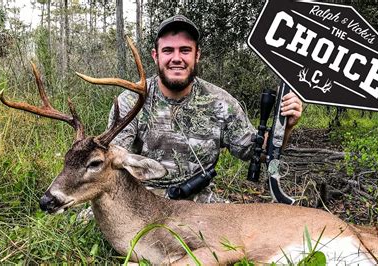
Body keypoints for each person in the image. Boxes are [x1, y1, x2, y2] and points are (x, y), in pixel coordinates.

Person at [106, 14, 303, 203]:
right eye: (168, 51)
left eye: (185, 50)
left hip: (198, 202)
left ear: (197, 55)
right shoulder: (131, 100)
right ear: (155, 56)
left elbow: (256, 153)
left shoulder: (221, 102)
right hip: (141, 199)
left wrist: (284, 126)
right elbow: (113, 157)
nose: (176, 58)